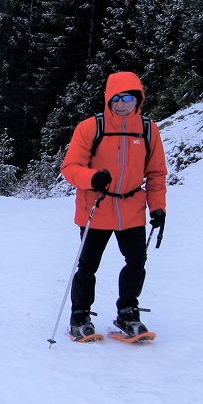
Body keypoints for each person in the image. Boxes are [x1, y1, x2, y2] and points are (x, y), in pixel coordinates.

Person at [60, 71, 168, 340]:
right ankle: (80, 315)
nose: (121, 104)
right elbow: (70, 167)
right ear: (108, 99)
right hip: (95, 208)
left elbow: (156, 174)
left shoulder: (147, 129)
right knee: (88, 266)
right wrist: (92, 177)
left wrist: (158, 208)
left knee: (136, 263)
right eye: (116, 98)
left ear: (138, 100)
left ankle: (128, 312)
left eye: (128, 98)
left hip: (132, 209)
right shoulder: (90, 128)